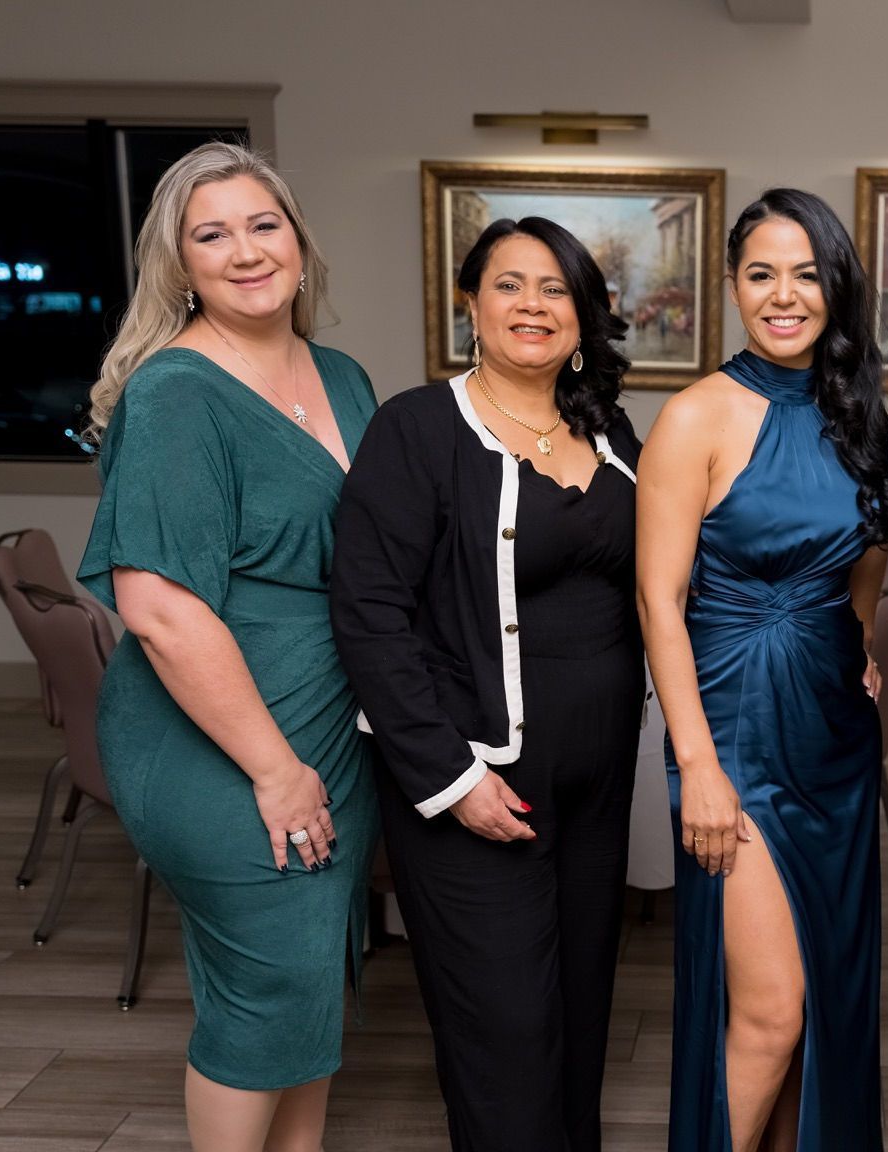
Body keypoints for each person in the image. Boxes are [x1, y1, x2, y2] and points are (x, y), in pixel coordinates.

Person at [76, 141, 375, 1152]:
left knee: (307, 983)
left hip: (329, 723)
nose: (245, 251)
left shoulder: (341, 374)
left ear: (297, 240)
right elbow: (158, 608)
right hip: (226, 740)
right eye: (212, 234)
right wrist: (274, 769)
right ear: (180, 264)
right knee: (267, 987)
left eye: (263, 225)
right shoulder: (176, 392)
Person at [330, 217, 645, 1151]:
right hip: (477, 781)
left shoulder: (609, 426)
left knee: (581, 1014)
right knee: (503, 1031)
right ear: (470, 303)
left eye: (555, 289)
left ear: (584, 316)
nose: (533, 306)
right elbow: (368, 613)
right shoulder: (418, 428)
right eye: (509, 285)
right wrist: (452, 778)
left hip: (597, 784)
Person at [636, 188, 888, 1151]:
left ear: (836, 286)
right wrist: (698, 767)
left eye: (805, 273)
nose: (783, 295)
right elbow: (657, 602)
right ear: (733, 286)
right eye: (761, 274)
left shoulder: (851, 410)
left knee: (824, 1007)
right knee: (771, 1012)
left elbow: (872, 541)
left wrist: (858, 634)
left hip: (831, 737)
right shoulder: (698, 415)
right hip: (737, 735)